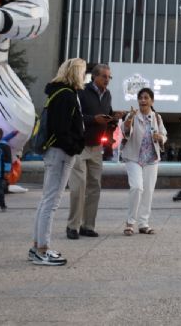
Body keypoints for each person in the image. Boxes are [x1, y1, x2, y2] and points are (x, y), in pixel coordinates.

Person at [29, 58, 86, 266]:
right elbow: (61, 129)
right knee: (51, 202)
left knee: (46, 200)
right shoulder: (67, 96)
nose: (84, 77)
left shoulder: (56, 93)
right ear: (75, 73)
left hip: (55, 152)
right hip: (61, 153)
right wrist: (74, 146)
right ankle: (42, 249)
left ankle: (37, 246)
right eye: (83, 72)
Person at [67, 63, 117, 240]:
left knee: (94, 186)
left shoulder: (108, 95)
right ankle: (72, 225)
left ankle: (88, 225)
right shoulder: (81, 92)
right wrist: (93, 119)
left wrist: (114, 119)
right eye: (104, 76)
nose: (107, 80)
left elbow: (106, 116)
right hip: (80, 145)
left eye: (109, 77)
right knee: (78, 186)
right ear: (94, 76)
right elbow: (75, 117)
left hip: (97, 146)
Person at [120, 87, 167, 236]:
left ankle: (143, 223)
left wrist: (160, 137)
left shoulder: (156, 117)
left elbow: (164, 135)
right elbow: (125, 131)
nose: (143, 100)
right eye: (141, 98)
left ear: (152, 101)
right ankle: (130, 222)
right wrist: (129, 120)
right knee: (136, 187)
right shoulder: (132, 115)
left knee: (148, 192)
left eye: (146, 98)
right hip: (133, 157)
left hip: (151, 159)